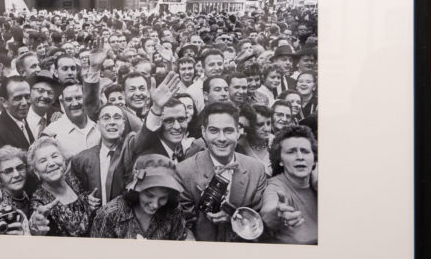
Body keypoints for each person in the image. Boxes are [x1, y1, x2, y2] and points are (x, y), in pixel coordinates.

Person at [175, 101, 268, 242]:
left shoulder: (256, 169)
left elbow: (259, 222)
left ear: (238, 131)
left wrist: (233, 217)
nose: (222, 138)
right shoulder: (184, 171)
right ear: (203, 132)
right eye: (214, 131)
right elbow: (182, 225)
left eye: (228, 130)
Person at [91, 155, 190, 240]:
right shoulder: (109, 215)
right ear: (136, 190)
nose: (155, 205)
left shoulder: (174, 213)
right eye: (150, 195)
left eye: (163, 198)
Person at [69, 103, 142, 207]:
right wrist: (85, 200)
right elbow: (73, 193)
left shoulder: (133, 155)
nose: (112, 122)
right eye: (106, 118)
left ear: (124, 125)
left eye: (117, 117)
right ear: (98, 125)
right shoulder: (81, 160)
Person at [27, 136, 99, 237]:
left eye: (54, 156)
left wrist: (88, 201)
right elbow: (37, 224)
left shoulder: (72, 180)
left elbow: (82, 207)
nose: (51, 163)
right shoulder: (38, 202)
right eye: (43, 161)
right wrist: (35, 228)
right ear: (36, 171)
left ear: (63, 160)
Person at [260, 124, 318, 244]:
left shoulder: (317, 182)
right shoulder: (276, 186)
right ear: (280, 160)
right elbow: (268, 209)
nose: (300, 157)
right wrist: (277, 214)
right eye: (291, 152)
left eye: (305, 151)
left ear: (314, 159)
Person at [42, 81, 100, 158]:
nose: (75, 103)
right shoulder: (52, 132)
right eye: (69, 100)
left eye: (78, 98)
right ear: (62, 102)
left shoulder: (99, 127)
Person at [0, 76, 34, 157]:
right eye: (18, 98)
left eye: (27, 97)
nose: (24, 103)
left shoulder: (21, 119)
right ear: (4, 102)